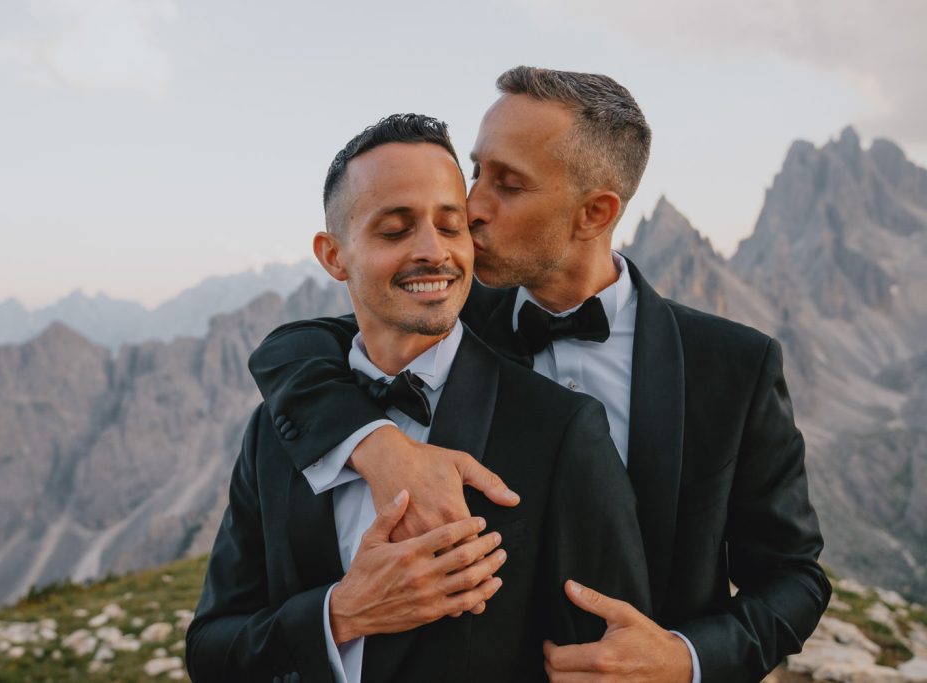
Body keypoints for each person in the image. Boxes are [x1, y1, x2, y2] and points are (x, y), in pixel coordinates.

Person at [248, 68, 831, 682]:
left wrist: (686, 660)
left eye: (508, 184)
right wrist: (377, 446)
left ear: (594, 213)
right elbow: (293, 352)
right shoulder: (442, 310)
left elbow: (794, 577)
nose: (470, 207)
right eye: (477, 171)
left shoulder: (733, 365)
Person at [186, 113, 650, 683]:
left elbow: (604, 662)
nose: (433, 251)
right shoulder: (274, 431)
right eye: (395, 230)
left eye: (451, 226)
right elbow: (211, 649)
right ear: (334, 256)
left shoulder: (561, 429)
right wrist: (337, 617)